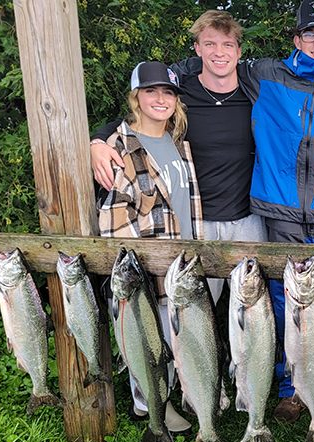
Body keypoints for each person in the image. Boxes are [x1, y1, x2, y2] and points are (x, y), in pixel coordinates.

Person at [173, 0, 314, 424]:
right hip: (281, 212)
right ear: (296, 39)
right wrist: (103, 137)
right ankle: (291, 388)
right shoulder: (265, 75)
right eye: (309, 34)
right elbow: (198, 68)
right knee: (284, 301)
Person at [92, 10, 268, 305]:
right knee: (195, 311)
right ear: (198, 49)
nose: (219, 53)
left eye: (227, 45)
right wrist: (97, 141)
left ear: (239, 51)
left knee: (252, 310)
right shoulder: (179, 95)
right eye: (209, 44)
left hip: (248, 221)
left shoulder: (257, 93)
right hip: (197, 222)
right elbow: (135, 120)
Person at [97, 61, 199, 435]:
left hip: (181, 260)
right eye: (151, 91)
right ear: (136, 97)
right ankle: (156, 404)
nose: (160, 99)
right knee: (149, 342)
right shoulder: (117, 148)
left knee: (174, 339)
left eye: (168, 92)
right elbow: (113, 226)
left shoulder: (178, 143)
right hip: (146, 270)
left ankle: (154, 398)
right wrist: (136, 275)